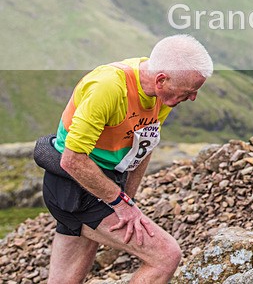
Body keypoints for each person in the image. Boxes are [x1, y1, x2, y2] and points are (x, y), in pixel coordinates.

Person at [40, 35, 213, 284]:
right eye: (189, 91)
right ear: (161, 79)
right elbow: (72, 160)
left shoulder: (161, 95)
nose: (193, 98)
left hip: (102, 186)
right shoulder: (108, 88)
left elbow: (144, 144)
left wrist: (129, 200)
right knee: (166, 256)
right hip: (73, 188)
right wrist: (121, 205)